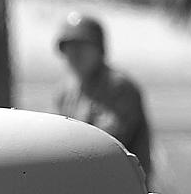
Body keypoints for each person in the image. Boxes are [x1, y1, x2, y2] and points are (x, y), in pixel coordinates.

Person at [55, 12, 152, 182]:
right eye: (69, 47)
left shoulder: (119, 87)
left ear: (99, 49)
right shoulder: (65, 92)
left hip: (125, 188)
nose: (75, 54)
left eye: (82, 46)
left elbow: (106, 142)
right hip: (81, 184)